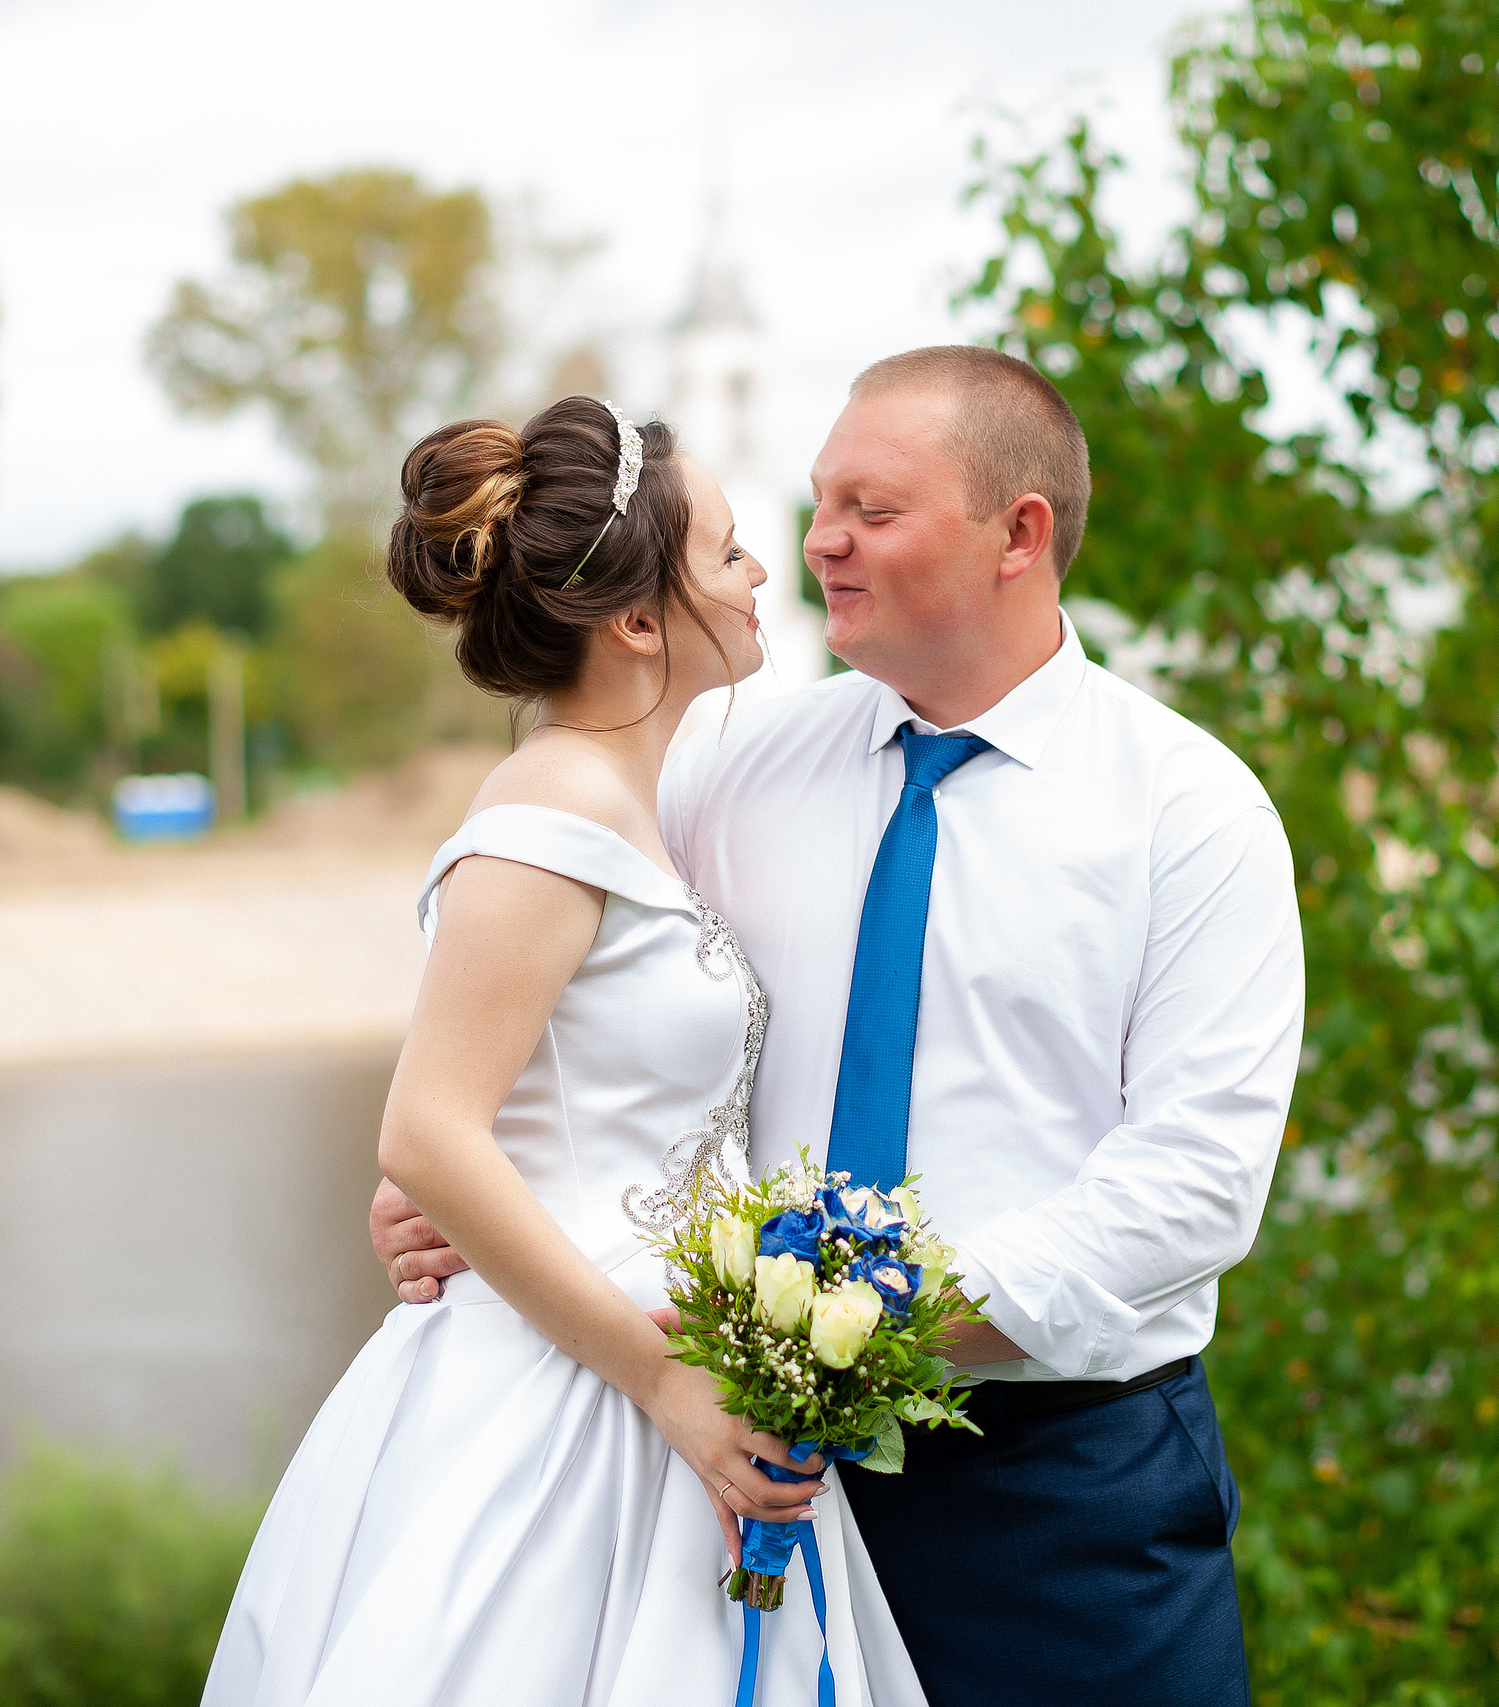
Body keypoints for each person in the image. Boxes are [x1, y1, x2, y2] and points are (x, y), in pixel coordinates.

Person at [376, 347, 1306, 1706]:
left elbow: (1194, 1191)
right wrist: (445, 1187)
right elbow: (559, 1005)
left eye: (871, 509)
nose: (820, 544)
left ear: (1019, 535)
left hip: (1063, 1494)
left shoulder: (1191, 812)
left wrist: (851, 1329)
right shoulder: (725, 767)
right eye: (815, 504)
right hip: (740, 1486)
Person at [204, 396, 926, 1707]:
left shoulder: (637, 803)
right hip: (577, 1395)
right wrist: (667, 1385)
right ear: (640, 620)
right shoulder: (548, 812)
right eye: (725, 553)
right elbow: (428, 1130)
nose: (763, 572)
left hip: (667, 1363)